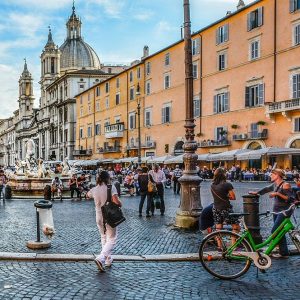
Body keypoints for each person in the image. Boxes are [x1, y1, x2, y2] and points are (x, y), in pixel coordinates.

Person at [249, 168, 295, 258]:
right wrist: (257, 193)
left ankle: (272, 250)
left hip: (285, 211)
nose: (270, 176)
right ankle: (284, 252)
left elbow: (290, 199)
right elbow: (266, 189)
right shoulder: (274, 185)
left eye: (272, 174)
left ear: (277, 175)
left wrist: (277, 194)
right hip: (276, 210)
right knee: (280, 231)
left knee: (275, 230)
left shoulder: (286, 185)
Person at [88, 171, 122, 272]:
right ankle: (101, 258)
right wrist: (120, 203)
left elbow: (87, 194)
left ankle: (107, 259)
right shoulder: (111, 187)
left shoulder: (94, 189)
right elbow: (116, 201)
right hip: (109, 216)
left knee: (103, 237)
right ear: (107, 178)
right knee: (112, 238)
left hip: (98, 217)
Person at [211, 168, 240, 233]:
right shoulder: (227, 184)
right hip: (225, 208)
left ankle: (219, 243)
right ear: (223, 174)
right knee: (236, 227)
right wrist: (227, 196)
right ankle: (233, 243)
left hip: (215, 208)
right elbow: (233, 197)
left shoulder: (212, 185)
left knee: (218, 228)